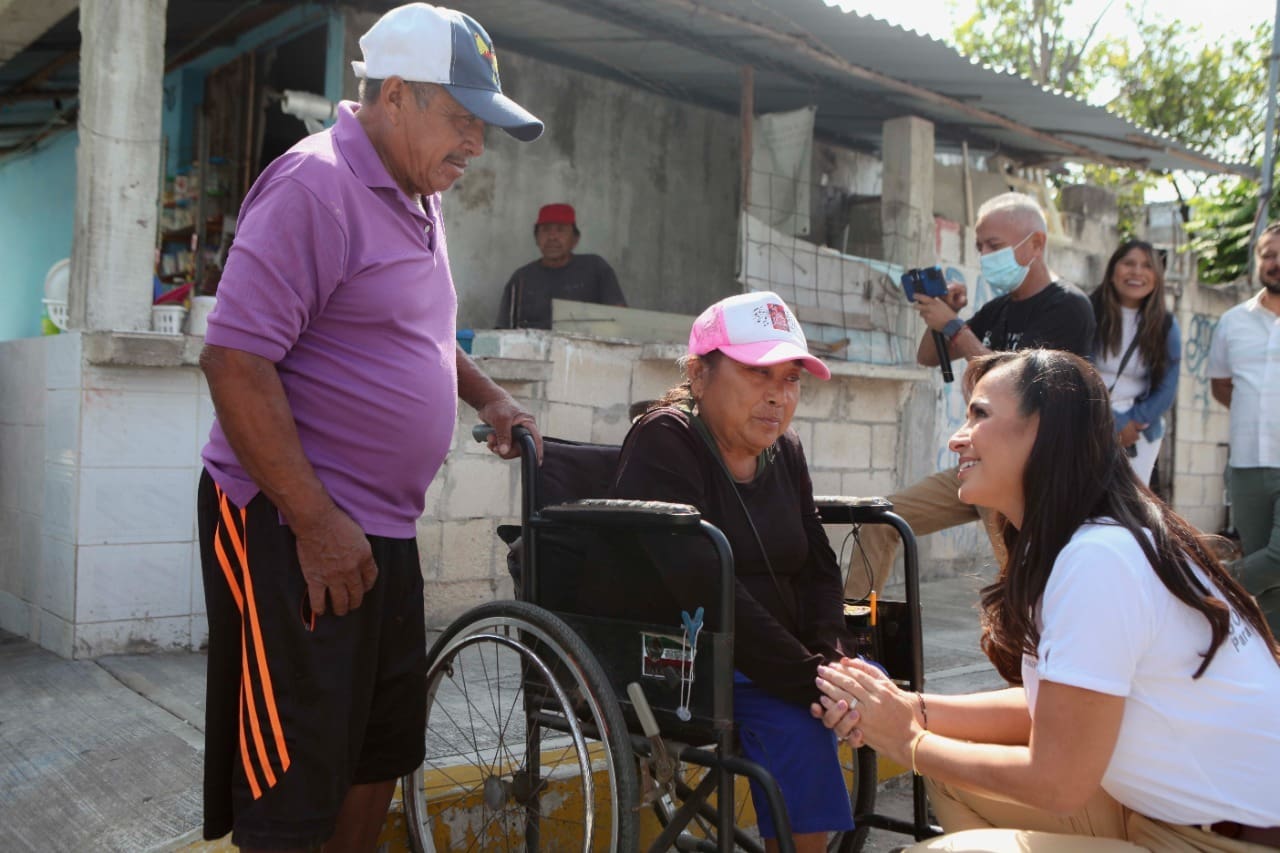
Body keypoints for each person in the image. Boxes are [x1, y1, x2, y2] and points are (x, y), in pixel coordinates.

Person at [195, 5, 545, 851]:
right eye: (461, 120)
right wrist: (315, 522)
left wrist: (487, 394)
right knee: (295, 774)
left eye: (482, 125)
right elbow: (235, 362)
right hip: (290, 525)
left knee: (376, 748)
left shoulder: (417, 194)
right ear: (394, 95)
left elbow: (412, 332)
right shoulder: (315, 186)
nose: (476, 145)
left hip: (381, 528)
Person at [815, 349, 1280, 852]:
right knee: (955, 773)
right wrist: (912, 707)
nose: (957, 437)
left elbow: (1059, 782)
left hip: (1224, 842)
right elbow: (1055, 710)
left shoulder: (1099, 558)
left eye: (979, 414)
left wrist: (907, 739)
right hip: (1157, 815)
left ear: (1045, 431)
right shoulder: (1077, 543)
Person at [606, 291, 855, 852]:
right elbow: (701, 586)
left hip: (782, 656)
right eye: (756, 373)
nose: (777, 396)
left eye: (791, 379)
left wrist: (831, 657)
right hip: (690, 657)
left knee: (869, 685)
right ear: (700, 374)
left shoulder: (784, 450)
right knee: (805, 719)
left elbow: (818, 566)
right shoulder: (665, 441)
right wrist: (809, 678)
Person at [846, 192, 1095, 599]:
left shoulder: (1069, 307)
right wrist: (942, 316)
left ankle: (1037, 652)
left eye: (994, 245)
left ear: (1035, 244)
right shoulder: (998, 310)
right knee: (881, 519)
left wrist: (955, 328)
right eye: (980, 246)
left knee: (1025, 579)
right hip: (978, 460)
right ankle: (853, 633)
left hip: (1029, 473)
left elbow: (1018, 385)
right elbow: (927, 356)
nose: (985, 255)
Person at [1209, 221, 1280, 634]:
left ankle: (1204, 584)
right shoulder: (1232, 322)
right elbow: (1222, 385)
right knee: (1269, 585)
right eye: (1268, 254)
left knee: (1276, 559)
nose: (1275, 262)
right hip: (1248, 464)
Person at [1090, 240, 1181, 486]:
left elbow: (1167, 387)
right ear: (1112, 271)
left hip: (1138, 433)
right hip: (1089, 421)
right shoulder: (1088, 312)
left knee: (1130, 508)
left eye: (1147, 266)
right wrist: (1112, 421)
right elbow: (1077, 371)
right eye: (1129, 263)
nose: (1137, 272)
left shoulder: (1165, 325)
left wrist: (1131, 423)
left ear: (1157, 277)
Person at [494, 202, 626, 329]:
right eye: (545, 230)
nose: (552, 237)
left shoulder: (595, 268)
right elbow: (504, 330)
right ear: (536, 238)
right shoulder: (521, 278)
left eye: (560, 230)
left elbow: (619, 319)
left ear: (575, 239)